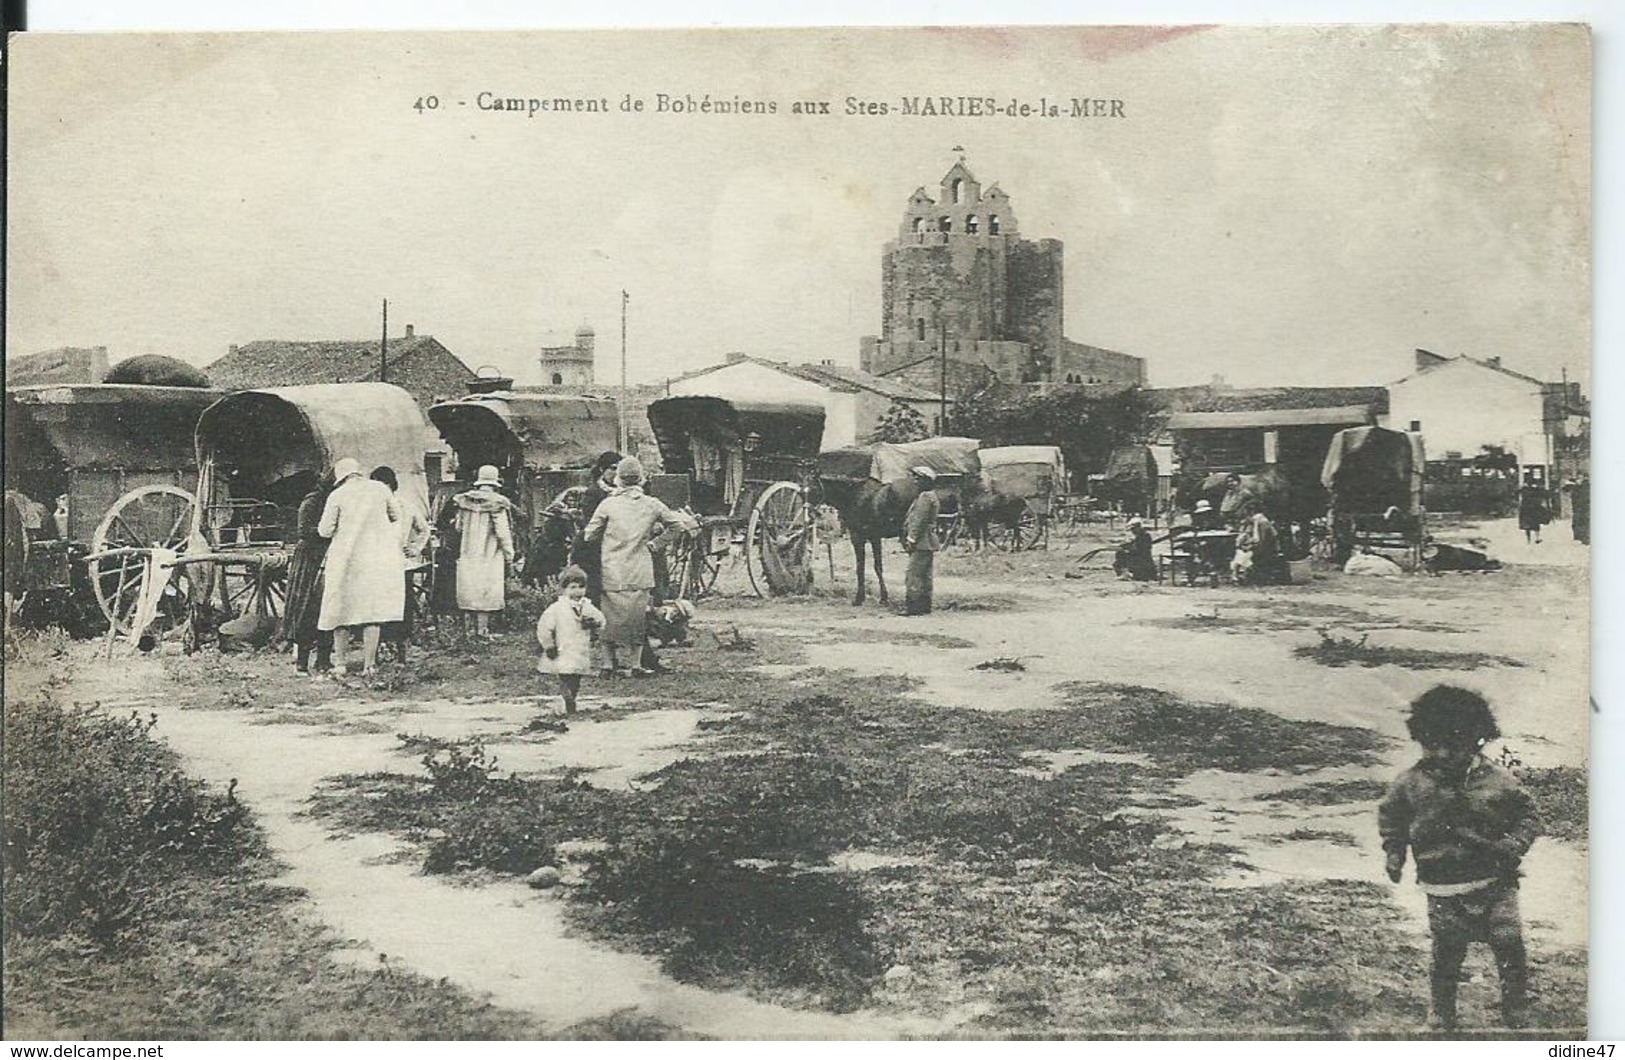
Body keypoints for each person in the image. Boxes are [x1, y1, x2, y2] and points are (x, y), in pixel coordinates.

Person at [1378, 686, 1538, 1031]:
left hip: (1495, 884)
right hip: (1442, 887)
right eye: (1431, 744)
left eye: (1453, 745)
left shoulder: (1498, 782)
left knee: (1509, 943)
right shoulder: (1411, 783)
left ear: (1477, 740)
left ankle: (1515, 1007)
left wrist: (1513, 845)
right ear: (1420, 739)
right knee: (1447, 952)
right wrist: (1395, 851)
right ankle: (1442, 1013)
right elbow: (1392, 815)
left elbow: (1528, 815)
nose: (1441, 754)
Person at [582, 455, 698, 675]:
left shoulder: (608, 504)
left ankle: (609, 664)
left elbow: (589, 535)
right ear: (641, 479)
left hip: (612, 567)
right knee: (638, 616)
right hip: (640, 567)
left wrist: (607, 537)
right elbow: (677, 526)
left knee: (610, 615)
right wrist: (655, 544)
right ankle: (636, 665)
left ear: (618, 479)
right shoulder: (652, 504)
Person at [317, 457, 404, 677]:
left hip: (345, 559)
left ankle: (341, 664)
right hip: (375, 558)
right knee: (371, 611)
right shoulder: (380, 490)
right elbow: (396, 516)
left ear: (341, 477)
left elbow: (325, 531)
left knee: (340, 610)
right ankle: (369, 665)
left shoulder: (337, 495)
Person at [275, 477, 335, 676]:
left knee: (328, 607)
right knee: (307, 607)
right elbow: (304, 531)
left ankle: (323, 660)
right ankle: (301, 661)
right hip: (310, 559)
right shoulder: (312, 502)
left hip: (328, 556)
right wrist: (327, 532)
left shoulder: (335, 500)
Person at [371, 466, 431, 662]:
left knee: (401, 606)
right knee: (381, 606)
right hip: (379, 563)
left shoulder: (405, 506)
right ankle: (383, 646)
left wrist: (414, 548)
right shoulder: (373, 508)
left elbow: (424, 529)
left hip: (397, 562)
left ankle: (400, 647)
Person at [451, 465, 517, 638]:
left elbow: (458, 527)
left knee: (468, 588)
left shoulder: (465, 502)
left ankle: (468, 630)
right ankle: (482, 630)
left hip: (468, 552)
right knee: (485, 590)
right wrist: (510, 554)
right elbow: (503, 532)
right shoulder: (497, 503)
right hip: (489, 552)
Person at [536, 565, 605, 715]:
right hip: (562, 648)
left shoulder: (587, 606)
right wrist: (548, 646)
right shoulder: (556, 608)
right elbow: (544, 627)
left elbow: (601, 619)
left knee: (577, 676)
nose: (578, 591)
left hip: (579, 648)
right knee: (565, 674)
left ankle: (571, 698)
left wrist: (595, 623)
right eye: (573, 587)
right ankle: (566, 696)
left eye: (581, 587)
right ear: (563, 589)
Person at [572, 450, 623, 606]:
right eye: (612, 468)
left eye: (619, 469)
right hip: (597, 544)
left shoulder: (623, 491)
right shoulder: (594, 492)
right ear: (602, 469)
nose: (616, 473)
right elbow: (590, 522)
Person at [901, 466, 941, 615]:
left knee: (913, 575)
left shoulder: (925, 497)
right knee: (925, 575)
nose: (915, 482)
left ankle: (913, 607)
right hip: (927, 541)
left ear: (926, 481)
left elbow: (919, 520)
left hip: (921, 541)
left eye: (918, 479)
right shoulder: (930, 496)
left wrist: (911, 539)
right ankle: (924, 606)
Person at [1113, 516, 1157, 581]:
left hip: (1142, 560)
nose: (1132, 531)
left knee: (1120, 555)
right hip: (1139, 558)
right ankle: (1125, 573)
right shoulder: (1139, 536)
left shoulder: (1144, 536)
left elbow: (1139, 550)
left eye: (1133, 529)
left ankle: (1126, 574)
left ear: (1138, 527)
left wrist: (1127, 549)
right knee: (1120, 554)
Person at [1565, 476, 1589, 545]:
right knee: (1581, 523)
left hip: (1580, 510)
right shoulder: (1580, 490)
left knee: (1579, 523)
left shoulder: (1578, 492)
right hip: (1581, 509)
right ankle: (1583, 538)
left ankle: (1581, 538)